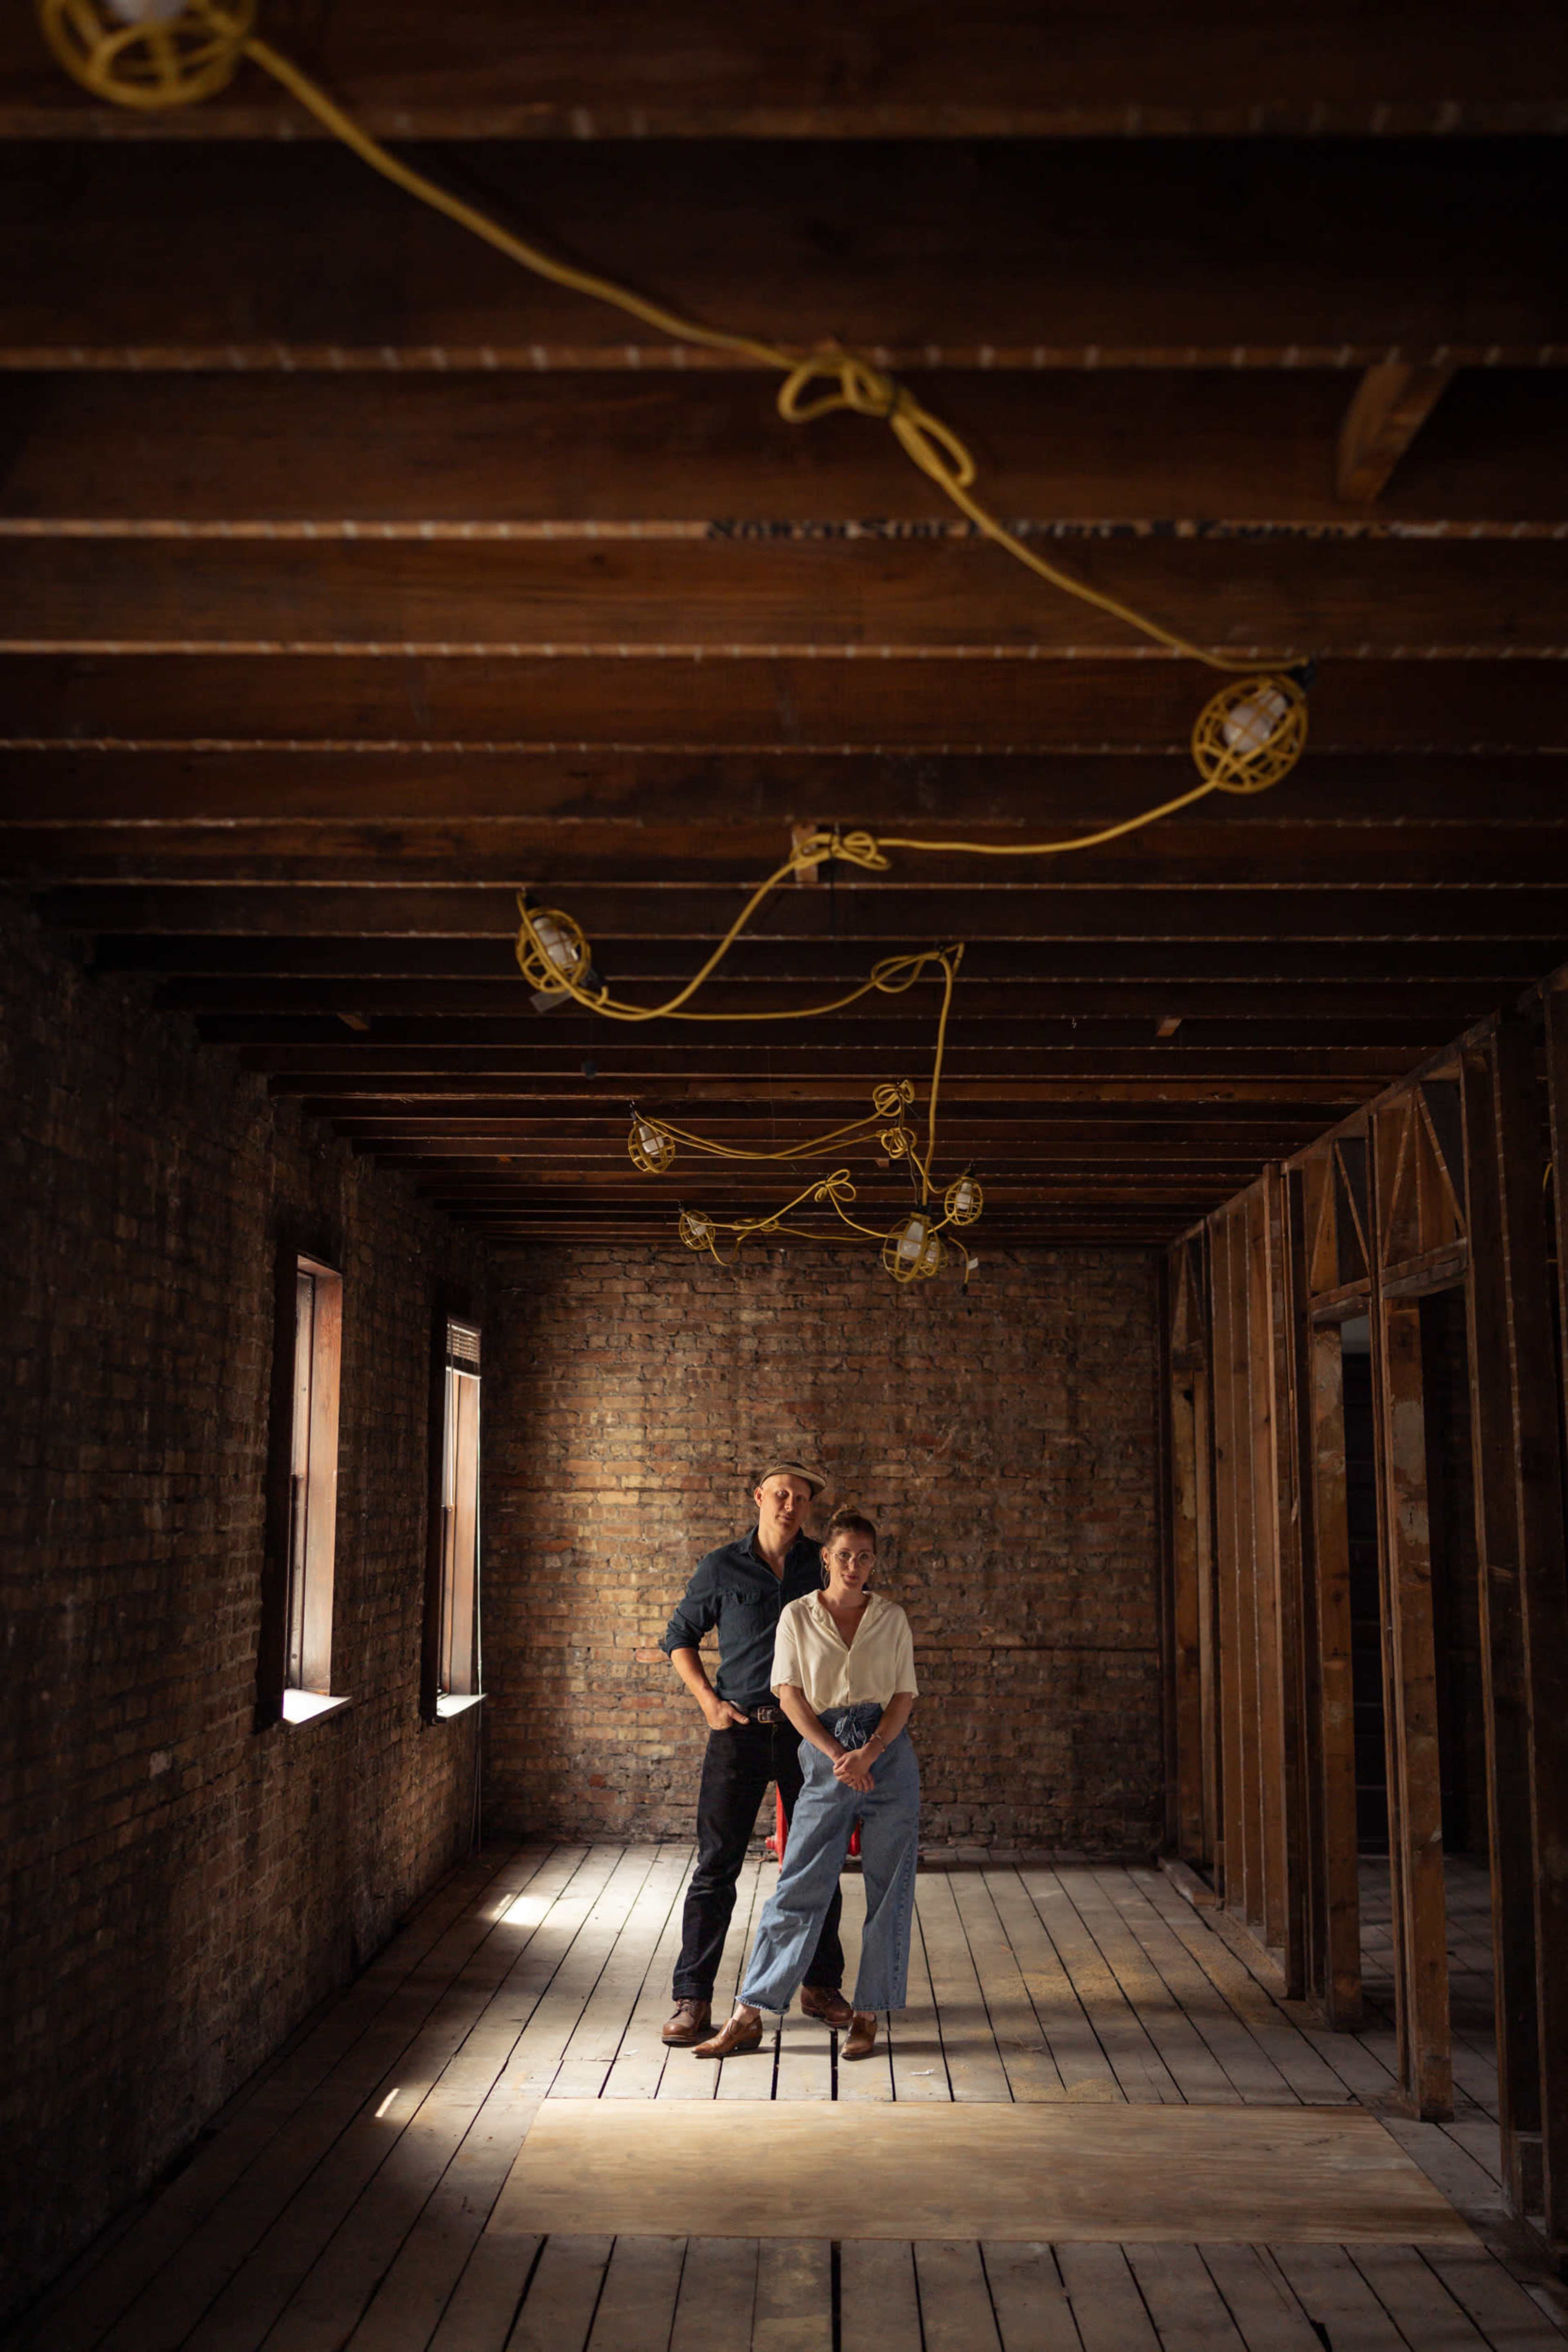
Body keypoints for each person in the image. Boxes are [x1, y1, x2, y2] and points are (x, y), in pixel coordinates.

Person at [693, 1505, 919, 2065]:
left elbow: (903, 1696)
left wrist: (871, 1751)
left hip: (887, 1756)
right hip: (825, 1752)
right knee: (799, 1886)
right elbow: (789, 1694)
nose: (853, 1566)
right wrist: (840, 1754)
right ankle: (748, 2015)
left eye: (864, 1557)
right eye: (843, 1555)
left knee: (889, 1892)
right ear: (825, 1557)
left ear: (874, 1562)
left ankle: (869, 2014)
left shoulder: (891, 1618)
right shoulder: (798, 1615)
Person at [659, 1462, 851, 2047]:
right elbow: (679, 1637)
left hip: (807, 1733)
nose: (791, 1505)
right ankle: (693, 1999)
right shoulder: (722, 1566)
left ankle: (819, 1986)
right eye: (781, 1494)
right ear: (759, 1497)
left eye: (802, 1498)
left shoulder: (823, 1565)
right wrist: (708, 1702)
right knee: (716, 1867)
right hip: (739, 1731)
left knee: (816, 1863)